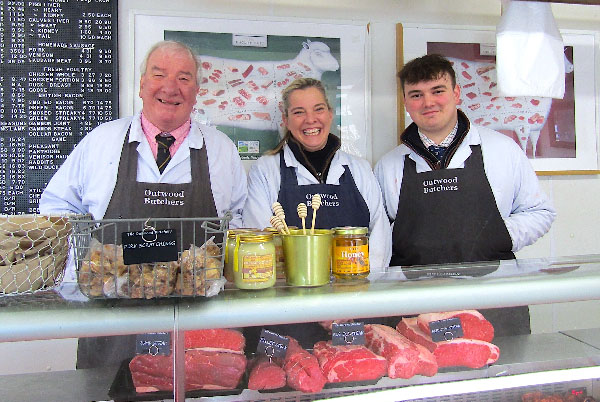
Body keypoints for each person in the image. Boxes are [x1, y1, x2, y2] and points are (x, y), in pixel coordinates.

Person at [39, 40, 247, 367]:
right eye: (159, 74)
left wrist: (216, 275)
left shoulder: (222, 150)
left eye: (184, 77)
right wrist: (80, 279)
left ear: (196, 90)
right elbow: (56, 210)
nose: (170, 87)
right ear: (141, 85)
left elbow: (239, 223)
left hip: (198, 331)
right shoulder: (101, 142)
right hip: (111, 325)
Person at [374, 54, 556, 336]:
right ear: (406, 102)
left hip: (493, 299)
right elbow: (378, 237)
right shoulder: (388, 165)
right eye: (416, 95)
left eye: (438, 91)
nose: (428, 102)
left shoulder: (502, 150)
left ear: (456, 93)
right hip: (417, 305)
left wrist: (499, 233)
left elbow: (541, 212)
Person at [242, 77, 392, 348]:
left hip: (351, 316)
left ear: (331, 114)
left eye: (318, 109)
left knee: (354, 381)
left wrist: (351, 303)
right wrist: (309, 304)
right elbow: (261, 246)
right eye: (299, 112)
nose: (311, 120)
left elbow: (379, 240)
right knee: (287, 384)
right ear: (286, 119)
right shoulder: (266, 170)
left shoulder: (358, 169)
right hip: (285, 315)